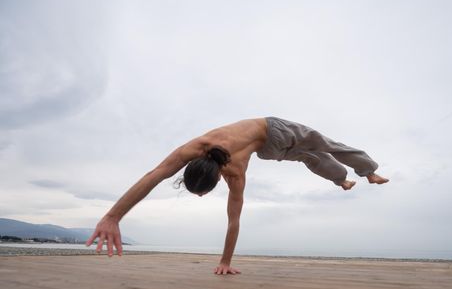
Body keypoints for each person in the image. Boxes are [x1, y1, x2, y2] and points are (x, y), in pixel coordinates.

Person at [85, 117, 389, 274]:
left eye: (204, 192)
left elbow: (155, 176)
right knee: (309, 157)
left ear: (214, 175)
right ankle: (343, 180)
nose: (205, 197)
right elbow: (233, 220)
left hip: (275, 130)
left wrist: (113, 216)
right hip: (270, 148)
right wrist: (225, 262)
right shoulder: (215, 162)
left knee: (324, 146)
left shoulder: (227, 167)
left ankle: (367, 171)